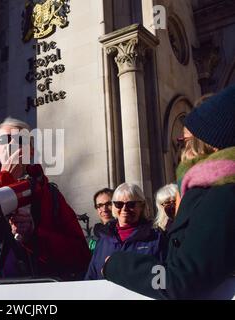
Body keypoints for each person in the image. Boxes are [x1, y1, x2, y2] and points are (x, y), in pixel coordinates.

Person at [102, 85, 235, 299]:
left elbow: (179, 281)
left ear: (209, 145)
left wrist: (116, 265)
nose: (182, 150)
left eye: (186, 141)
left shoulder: (222, 194)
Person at [0, 117, 91, 281]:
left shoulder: (49, 194)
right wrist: (5, 177)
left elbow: (80, 254)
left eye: (20, 139)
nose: (12, 144)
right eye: (5, 139)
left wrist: (34, 235)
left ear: (30, 150)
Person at [85, 183, 163, 280]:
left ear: (142, 206)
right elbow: (91, 276)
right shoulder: (104, 239)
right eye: (119, 204)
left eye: (131, 204)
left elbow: (162, 279)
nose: (124, 209)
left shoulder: (156, 238)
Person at [87, 188, 115, 252]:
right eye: (100, 205)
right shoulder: (93, 241)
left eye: (109, 204)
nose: (104, 209)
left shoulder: (125, 235)